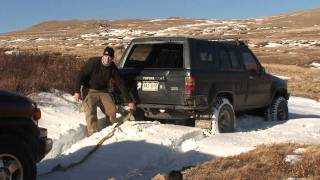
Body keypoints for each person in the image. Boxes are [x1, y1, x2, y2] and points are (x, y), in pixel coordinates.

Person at [74, 46, 135, 136]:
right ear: (103, 56)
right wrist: (77, 91)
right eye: (105, 57)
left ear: (112, 59)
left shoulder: (112, 68)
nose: (107, 59)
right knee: (90, 111)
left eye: (109, 58)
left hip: (103, 91)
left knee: (112, 110)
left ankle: (111, 128)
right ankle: (93, 133)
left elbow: (121, 84)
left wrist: (129, 101)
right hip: (89, 89)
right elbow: (80, 75)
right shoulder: (93, 63)